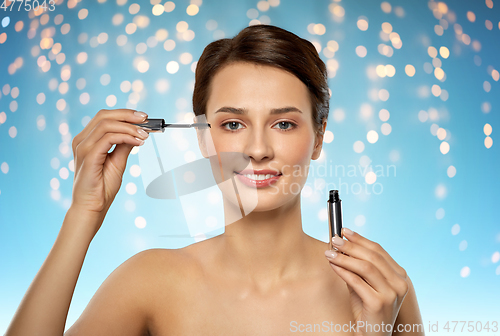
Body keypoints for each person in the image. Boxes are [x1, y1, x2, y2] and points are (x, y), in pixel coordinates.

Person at [6, 24, 424, 336]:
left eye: (282, 123)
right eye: (233, 124)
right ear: (205, 138)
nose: (257, 149)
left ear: (318, 137)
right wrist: (84, 213)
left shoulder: (381, 289)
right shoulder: (151, 281)